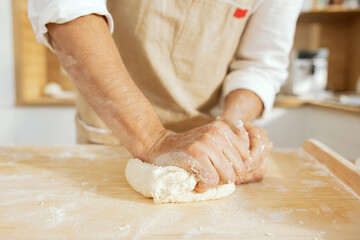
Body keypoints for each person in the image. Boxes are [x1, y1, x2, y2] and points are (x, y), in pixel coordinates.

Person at [28, 0, 302, 192]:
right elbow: (68, 10)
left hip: (208, 155)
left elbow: (260, 63)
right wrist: (153, 139)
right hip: (108, 135)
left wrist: (232, 132)